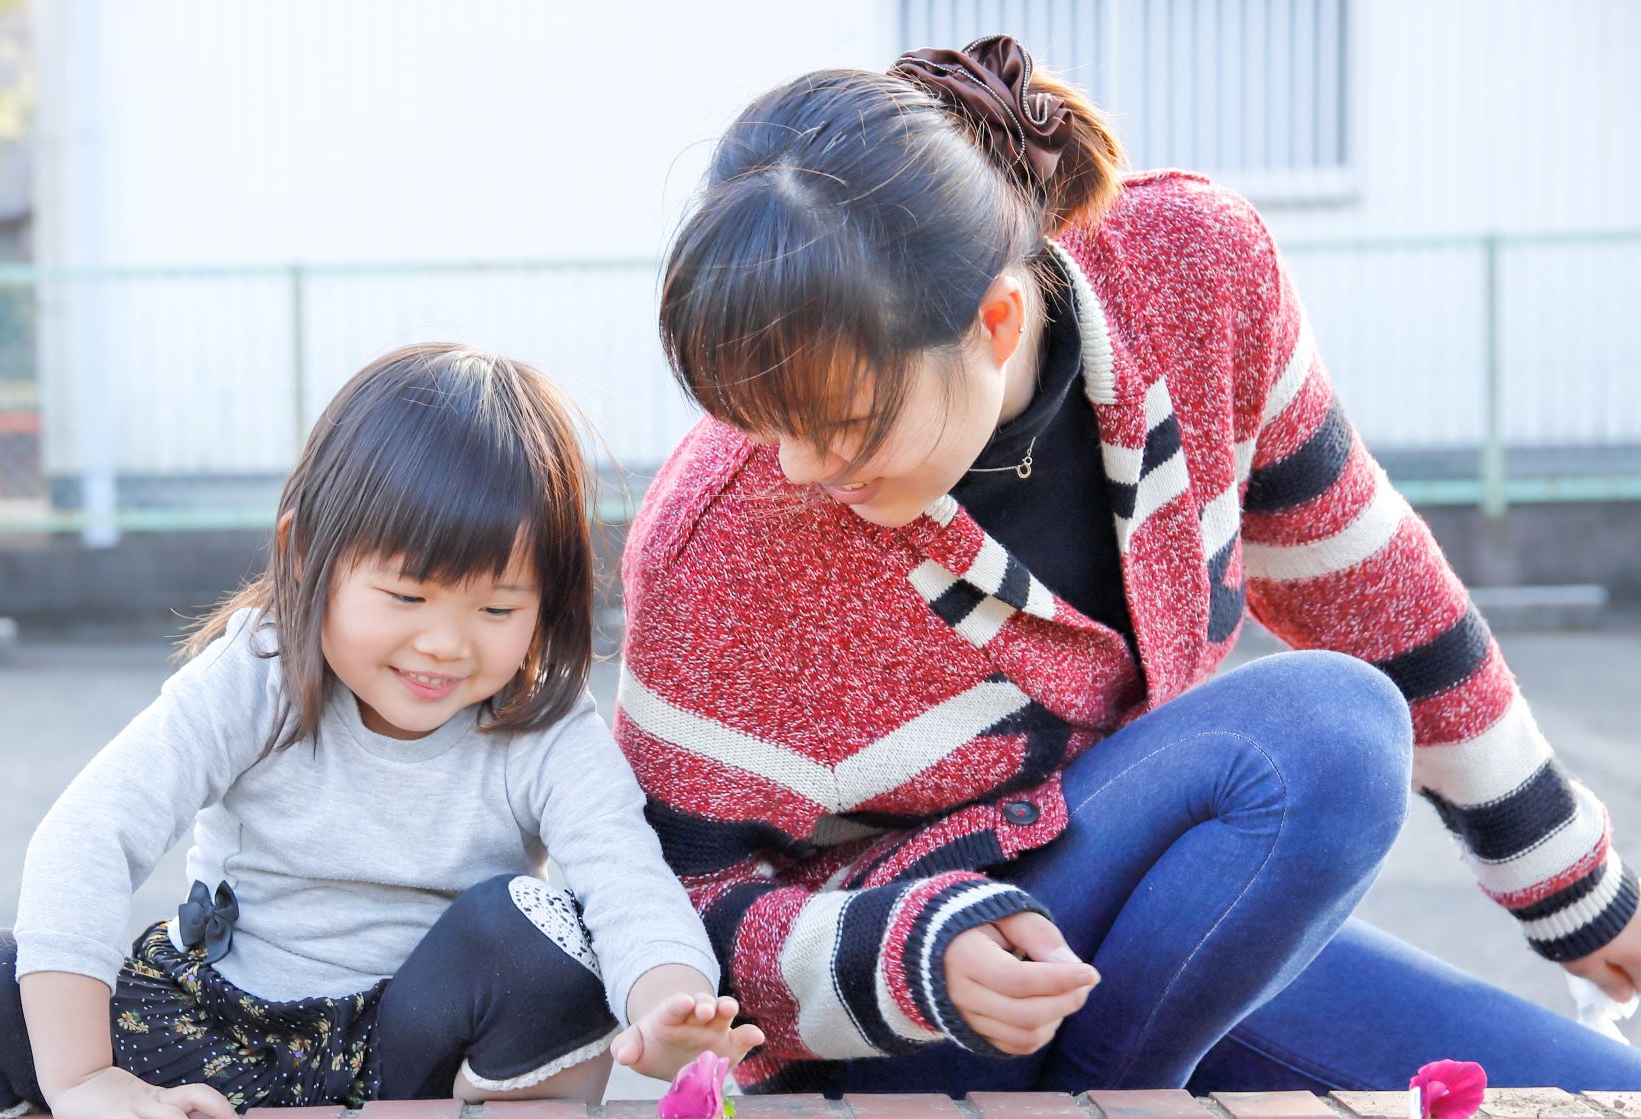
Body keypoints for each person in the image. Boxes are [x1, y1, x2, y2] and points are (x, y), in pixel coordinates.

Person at [616, 36, 1641, 1094]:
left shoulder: (1193, 276)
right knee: (1317, 736)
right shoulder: (722, 540)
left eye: (839, 422)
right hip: (899, 1016)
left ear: (995, 319)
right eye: (758, 419)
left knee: (1596, 1087)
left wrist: (1570, 889)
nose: (796, 466)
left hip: (1149, 959)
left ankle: (1109, 1093)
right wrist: (910, 954)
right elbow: (671, 905)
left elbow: (1375, 596)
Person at [0, 344, 762, 1118]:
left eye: (498, 606)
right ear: (307, 556)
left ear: (549, 602)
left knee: (534, 928)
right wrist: (85, 1077)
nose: (445, 642)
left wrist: (669, 1001)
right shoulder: (260, 671)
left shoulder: (541, 722)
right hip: (211, 1027)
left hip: (404, 1051)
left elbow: (624, 881)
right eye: (407, 595)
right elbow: (91, 833)